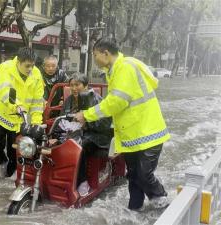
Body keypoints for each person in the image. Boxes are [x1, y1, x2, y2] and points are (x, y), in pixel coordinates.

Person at [74, 38, 170, 210]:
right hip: (133, 135)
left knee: (143, 174)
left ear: (106, 53)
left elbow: (115, 102)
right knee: (133, 175)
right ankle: (135, 209)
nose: (94, 59)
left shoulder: (124, 68)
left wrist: (86, 115)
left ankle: (161, 198)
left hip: (148, 132)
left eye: (95, 55)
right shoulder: (114, 70)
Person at [50, 72, 112, 196]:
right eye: (71, 85)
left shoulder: (97, 100)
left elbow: (106, 124)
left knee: (79, 147)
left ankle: (82, 181)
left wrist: (87, 124)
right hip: (74, 133)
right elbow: (61, 120)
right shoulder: (69, 100)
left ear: (86, 85)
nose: (73, 88)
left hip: (96, 137)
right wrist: (55, 136)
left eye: (77, 85)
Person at [0, 47, 44, 177]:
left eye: (33, 65)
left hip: (20, 120)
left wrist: (36, 123)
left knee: (15, 151)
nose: (30, 69)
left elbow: (37, 103)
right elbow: (5, 91)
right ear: (18, 62)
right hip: (0, 116)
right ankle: (2, 163)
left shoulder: (36, 74)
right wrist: (17, 106)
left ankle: (11, 174)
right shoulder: (5, 68)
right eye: (27, 66)